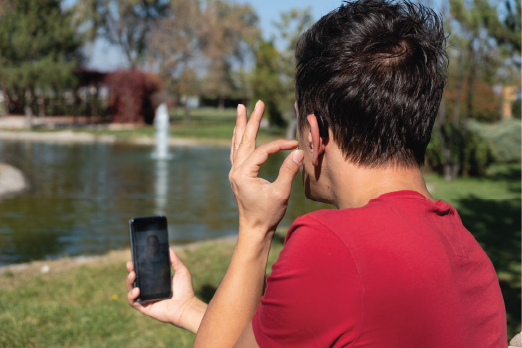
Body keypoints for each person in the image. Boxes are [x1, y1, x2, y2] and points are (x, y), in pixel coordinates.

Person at [125, 0, 508, 346]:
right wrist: (187, 309)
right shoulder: (470, 253)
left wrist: (256, 229)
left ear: (314, 135)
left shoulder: (332, 246)